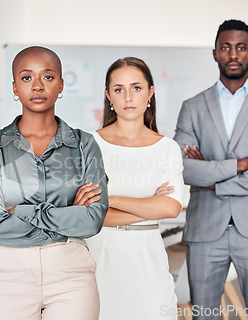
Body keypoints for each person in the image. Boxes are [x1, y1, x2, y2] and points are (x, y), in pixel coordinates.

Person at [0, 46, 108, 320]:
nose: (36, 86)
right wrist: (68, 213)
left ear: (60, 85)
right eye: (26, 78)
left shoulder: (84, 145)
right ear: (14, 87)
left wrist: (19, 211)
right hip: (8, 275)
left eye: (47, 77)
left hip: (71, 275)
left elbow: (92, 220)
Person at [174, 19, 248, 320]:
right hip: (204, 231)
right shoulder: (192, 107)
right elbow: (182, 169)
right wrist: (241, 165)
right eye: (226, 48)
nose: (233, 54)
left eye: (241, 47)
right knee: (204, 316)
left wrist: (213, 180)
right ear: (215, 54)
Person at [86, 57, 183, 319]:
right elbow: (88, 214)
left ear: (150, 92)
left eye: (136, 87)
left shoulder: (167, 149)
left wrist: (110, 198)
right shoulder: (89, 144)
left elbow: (171, 207)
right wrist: (149, 207)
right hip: (99, 257)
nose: (128, 97)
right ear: (109, 96)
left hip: (148, 260)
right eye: (119, 89)